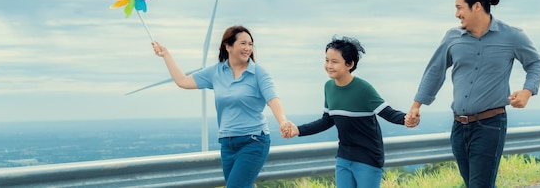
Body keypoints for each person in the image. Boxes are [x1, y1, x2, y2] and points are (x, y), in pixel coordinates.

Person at [405, 0, 540, 188]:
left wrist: (527, 91)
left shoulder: (512, 36)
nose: (456, 14)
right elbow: (435, 71)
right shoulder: (452, 37)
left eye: (460, 7)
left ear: (476, 6)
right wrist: (416, 106)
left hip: (490, 125)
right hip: (459, 128)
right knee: (475, 184)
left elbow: (536, 63)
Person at [151, 25, 290, 188]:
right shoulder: (216, 72)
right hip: (227, 144)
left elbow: (273, 99)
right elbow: (183, 81)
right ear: (228, 46)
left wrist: (283, 121)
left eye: (250, 44)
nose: (248, 48)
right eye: (243, 43)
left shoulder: (258, 72)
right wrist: (166, 55)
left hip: (253, 141)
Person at [283, 36, 407, 188]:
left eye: (334, 62)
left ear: (349, 64)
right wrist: (298, 130)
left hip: (368, 158)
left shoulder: (363, 88)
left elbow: (388, 113)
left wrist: (408, 119)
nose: (329, 65)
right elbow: (327, 120)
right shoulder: (328, 87)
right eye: (327, 60)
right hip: (344, 157)